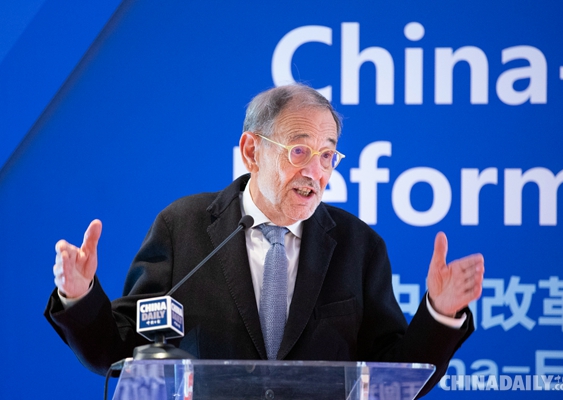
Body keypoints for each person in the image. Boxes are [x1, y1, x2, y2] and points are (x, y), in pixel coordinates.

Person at [45, 84, 484, 397]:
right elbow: (120, 352)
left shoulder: (359, 245)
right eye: (299, 150)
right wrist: (79, 295)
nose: (315, 171)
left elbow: (395, 378)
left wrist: (440, 314)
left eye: (327, 155)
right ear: (252, 151)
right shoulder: (183, 227)